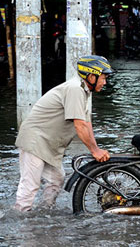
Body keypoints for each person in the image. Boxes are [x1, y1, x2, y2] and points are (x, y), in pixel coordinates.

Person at [13, 55, 113, 212]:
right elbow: (79, 125)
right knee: (30, 185)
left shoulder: (84, 90)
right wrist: (95, 151)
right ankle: (20, 223)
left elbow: (87, 124)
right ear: (92, 76)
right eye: (103, 77)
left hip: (48, 143)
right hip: (35, 140)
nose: (105, 82)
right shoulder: (75, 89)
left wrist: (96, 149)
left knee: (56, 179)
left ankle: (45, 212)